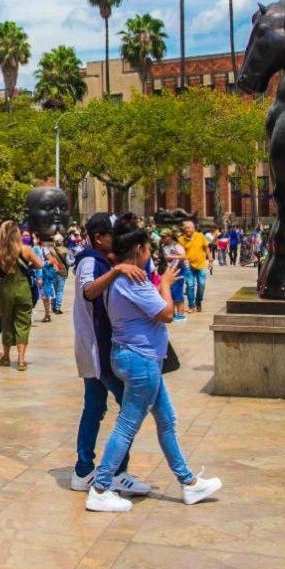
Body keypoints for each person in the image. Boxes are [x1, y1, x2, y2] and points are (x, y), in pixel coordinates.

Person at [86, 222, 223, 513]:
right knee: (127, 425)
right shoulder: (133, 280)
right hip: (140, 360)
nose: (150, 255)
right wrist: (163, 285)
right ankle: (100, 488)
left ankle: (188, 483)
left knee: (167, 419)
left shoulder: (120, 279)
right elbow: (166, 314)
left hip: (135, 358)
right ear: (138, 251)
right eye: (148, 250)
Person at [70, 213, 152, 495]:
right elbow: (88, 292)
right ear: (98, 237)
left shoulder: (102, 260)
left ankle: (89, 469)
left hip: (100, 346)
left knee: (96, 407)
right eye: (111, 235)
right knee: (127, 407)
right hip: (96, 347)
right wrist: (116, 272)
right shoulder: (90, 261)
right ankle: (109, 472)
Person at [0, 220, 44, 371]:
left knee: (6, 322)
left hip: (5, 290)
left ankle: (6, 357)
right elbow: (40, 264)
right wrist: (29, 265)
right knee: (23, 324)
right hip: (23, 289)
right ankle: (21, 359)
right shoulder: (26, 249)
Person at [176, 220, 209, 313]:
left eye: (189, 228)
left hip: (201, 265)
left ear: (193, 228)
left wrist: (210, 260)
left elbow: (206, 248)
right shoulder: (181, 239)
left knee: (201, 284)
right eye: (185, 228)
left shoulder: (200, 236)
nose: (187, 230)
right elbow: (178, 252)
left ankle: (198, 301)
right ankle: (191, 305)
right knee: (190, 285)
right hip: (188, 266)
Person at [160, 230, 188, 321]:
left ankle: (181, 315)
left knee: (177, 291)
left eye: (165, 237)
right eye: (162, 237)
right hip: (170, 270)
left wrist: (171, 257)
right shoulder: (163, 246)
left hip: (179, 270)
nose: (163, 239)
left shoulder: (176, 245)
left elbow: (183, 257)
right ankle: (173, 313)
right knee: (171, 292)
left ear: (170, 236)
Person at [49, 234, 69, 314]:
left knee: (53, 290)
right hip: (62, 271)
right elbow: (68, 262)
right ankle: (57, 308)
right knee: (60, 291)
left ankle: (53, 307)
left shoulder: (50, 250)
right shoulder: (65, 250)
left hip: (53, 272)